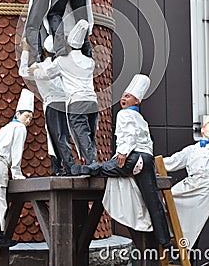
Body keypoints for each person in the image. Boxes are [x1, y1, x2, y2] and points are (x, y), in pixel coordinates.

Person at [71, 74, 172, 251]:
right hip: (146, 159)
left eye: (128, 96)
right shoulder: (142, 119)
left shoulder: (124, 114)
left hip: (133, 157)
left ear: (136, 101)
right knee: (152, 199)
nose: (123, 99)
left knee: (107, 168)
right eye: (124, 95)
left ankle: (87, 168)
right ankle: (164, 238)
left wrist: (123, 152)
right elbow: (149, 142)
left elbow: (128, 135)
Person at [29, 20, 98, 165]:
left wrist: (35, 70)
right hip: (92, 101)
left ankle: (92, 163)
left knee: (81, 132)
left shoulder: (62, 60)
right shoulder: (89, 62)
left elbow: (46, 75)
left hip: (76, 101)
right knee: (91, 134)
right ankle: (92, 159)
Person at [0, 89, 34, 247]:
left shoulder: (6, 127)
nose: (28, 120)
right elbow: (16, 152)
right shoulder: (19, 129)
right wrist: (16, 173)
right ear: (18, 114)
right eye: (26, 116)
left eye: (30, 117)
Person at [163, 114, 209, 249]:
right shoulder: (191, 149)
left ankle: (188, 248)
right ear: (202, 130)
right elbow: (174, 161)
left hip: (205, 188)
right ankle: (170, 234)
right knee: (169, 198)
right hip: (191, 183)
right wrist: (154, 164)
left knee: (195, 222)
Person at [19, 36, 75, 175]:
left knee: (55, 136)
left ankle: (63, 167)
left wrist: (25, 50)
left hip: (52, 104)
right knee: (63, 135)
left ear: (44, 51)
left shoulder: (40, 67)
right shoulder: (63, 65)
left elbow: (22, 71)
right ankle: (64, 166)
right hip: (66, 103)